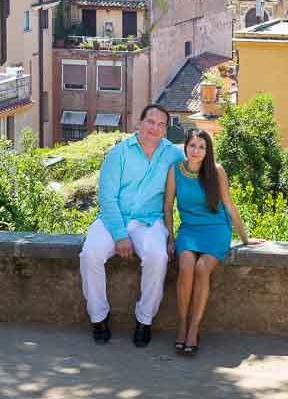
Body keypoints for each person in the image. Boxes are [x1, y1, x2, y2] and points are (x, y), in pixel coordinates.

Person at [79, 103, 184, 347]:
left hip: (149, 221)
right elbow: (107, 197)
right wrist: (119, 235)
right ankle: (98, 317)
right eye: (150, 122)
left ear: (165, 130)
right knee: (90, 254)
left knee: (158, 258)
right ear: (139, 123)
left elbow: (196, 173)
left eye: (161, 125)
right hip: (114, 217)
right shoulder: (119, 153)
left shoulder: (173, 155)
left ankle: (144, 320)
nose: (155, 128)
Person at [164, 128, 262, 354]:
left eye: (201, 147)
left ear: (208, 151)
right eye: (192, 146)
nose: (196, 151)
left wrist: (245, 239)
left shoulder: (216, 171)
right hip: (189, 229)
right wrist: (170, 239)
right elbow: (168, 207)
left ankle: (193, 329)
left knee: (201, 267)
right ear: (185, 147)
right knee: (186, 265)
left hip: (216, 229)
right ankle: (182, 324)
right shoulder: (175, 171)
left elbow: (229, 205)